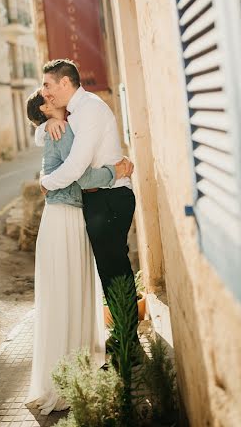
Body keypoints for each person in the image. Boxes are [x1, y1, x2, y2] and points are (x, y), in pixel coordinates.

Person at [25, 89, 131, 415]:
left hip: (65, 217)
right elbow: (82, 176)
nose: (53, 95)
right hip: (65, 218)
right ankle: (68, 371)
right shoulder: (60, 131)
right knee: (67, 290)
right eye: (47, 96)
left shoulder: (57, 127)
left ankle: (72, 363)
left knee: (69, 290)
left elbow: (52, 167)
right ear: (45, 110)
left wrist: (44, 132)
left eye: (51, 89)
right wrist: (118, 171)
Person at [35, 59, 138, 341]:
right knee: (109, 272)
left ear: (65, 83)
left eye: (48, 85)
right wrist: (48, 125)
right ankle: (124, 339)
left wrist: (45, 182)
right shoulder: (72, 113)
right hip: (97, 200)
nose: (45, 91)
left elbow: (76, 168)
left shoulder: (89, 109)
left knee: (115, 272)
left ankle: (128, 344)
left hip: (110, 197)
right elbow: (41, 134)